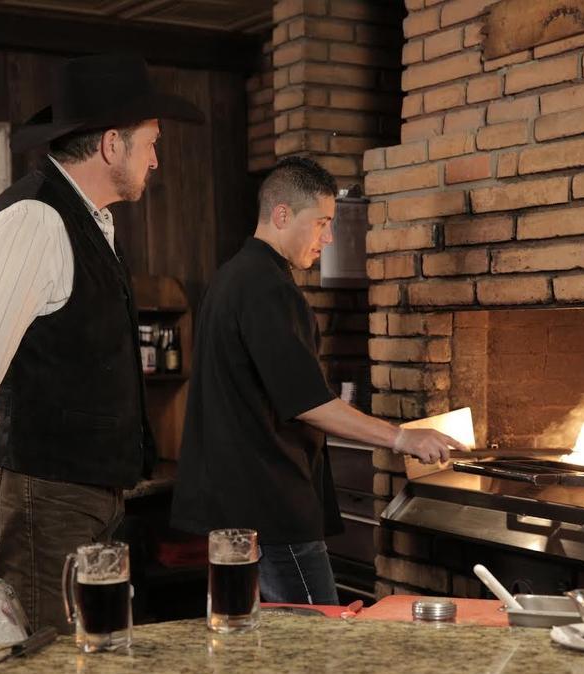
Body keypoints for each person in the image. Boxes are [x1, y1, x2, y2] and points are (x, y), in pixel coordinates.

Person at [0, 53, 204, 632]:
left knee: (86, 654)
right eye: (150, 141)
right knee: (45, 658)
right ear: (111, 146)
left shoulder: (86, 219)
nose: (156, 157)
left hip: (79, 496)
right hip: (37, 497)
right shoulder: (35, 220)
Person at [171, 156, 465, 605]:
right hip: (271, 509)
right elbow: (309, 401)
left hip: (234, 510)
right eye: (322, 222)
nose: (328, 238)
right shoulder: (268, 288)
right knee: (319, 644)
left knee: (244, 641)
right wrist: (402, 438)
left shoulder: (231, 279)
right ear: (283, 214)